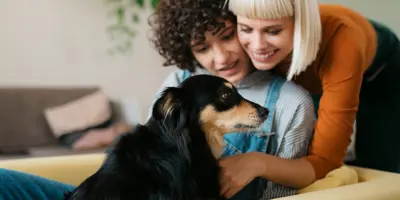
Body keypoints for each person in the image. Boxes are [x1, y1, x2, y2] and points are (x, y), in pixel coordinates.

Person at [0, 0, 316, 199]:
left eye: (226, 36)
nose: (219, 58)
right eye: (201, 48)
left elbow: (284, 193)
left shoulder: (291, 102)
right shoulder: (179, 84)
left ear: (243, 27)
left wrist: (258, 163)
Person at [226, 0, 400, 182]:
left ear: (300, 25)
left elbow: (325, 161)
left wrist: (259, 163)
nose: (257, 45)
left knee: (379, 159)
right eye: (246, 29)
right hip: (313, 64)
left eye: (273, 31)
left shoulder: (342, 44)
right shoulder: (236, 39)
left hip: (380, 71)